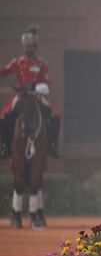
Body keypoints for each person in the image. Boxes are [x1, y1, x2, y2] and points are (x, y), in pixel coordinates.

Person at [0, 26, 61, 159]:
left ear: (36, 47)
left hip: (36, 95)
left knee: (55, 116)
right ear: (23, 47)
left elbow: (46, 82)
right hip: (21, 95)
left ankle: (52, 146)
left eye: (32, 46)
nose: (30, 49)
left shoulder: (42, 64)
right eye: (27, 46)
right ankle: (5, 147)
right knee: (3, 117)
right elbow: (3, 71)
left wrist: (36, 88)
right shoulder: (17, 62)